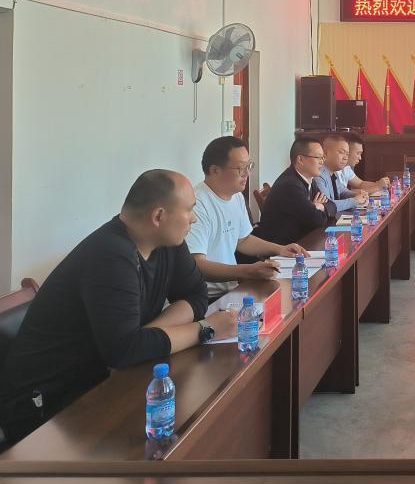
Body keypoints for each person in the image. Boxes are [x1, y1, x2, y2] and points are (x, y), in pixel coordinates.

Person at [0, 171, 238, 444]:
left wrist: (146, 335)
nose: (194, 218)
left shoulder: (168, 242)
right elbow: (123, 352)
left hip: (100, 379)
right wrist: (205, 329)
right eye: (189, 210)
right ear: (158, 216)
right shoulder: (111, 255)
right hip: (45, 403)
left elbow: (195, 296)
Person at [187, 136, 309, 299]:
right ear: (215, 170)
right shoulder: (197, 203)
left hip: (231, 288)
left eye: (249, 166)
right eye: (240, 168)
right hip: (205, 296)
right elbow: (197, 264)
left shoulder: (236, 196)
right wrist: (248, 271)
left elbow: (243, 240)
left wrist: (280, 249)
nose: (247, 173)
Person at [253, 136, 336, 246]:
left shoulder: (309, 179)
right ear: (300, 160)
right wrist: (315, 208)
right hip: (281, 247)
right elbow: (317, 220)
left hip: (300, 240)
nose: (322, 162)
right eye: (318, 157)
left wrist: (319, 206)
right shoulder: (289, 185)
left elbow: (332, 206)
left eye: (323, 157)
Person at [313, 133, 368, 215]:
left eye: (347, 154)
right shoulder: (318, 175)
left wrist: (358, 195)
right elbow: (328, 205)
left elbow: (342, 192)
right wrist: (355, 200)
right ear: (325, 153)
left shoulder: (333, 173)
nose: (345, 158)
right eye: (341, 152)